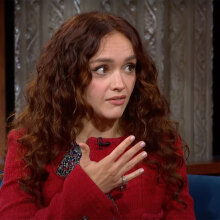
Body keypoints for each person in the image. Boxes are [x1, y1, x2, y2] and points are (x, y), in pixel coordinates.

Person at [0, 12, 195, 219]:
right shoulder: (29, 144)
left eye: (129, 67)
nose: (120, 84)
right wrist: (87, 189)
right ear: (70, 75)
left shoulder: (161, 141)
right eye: (102, 69)